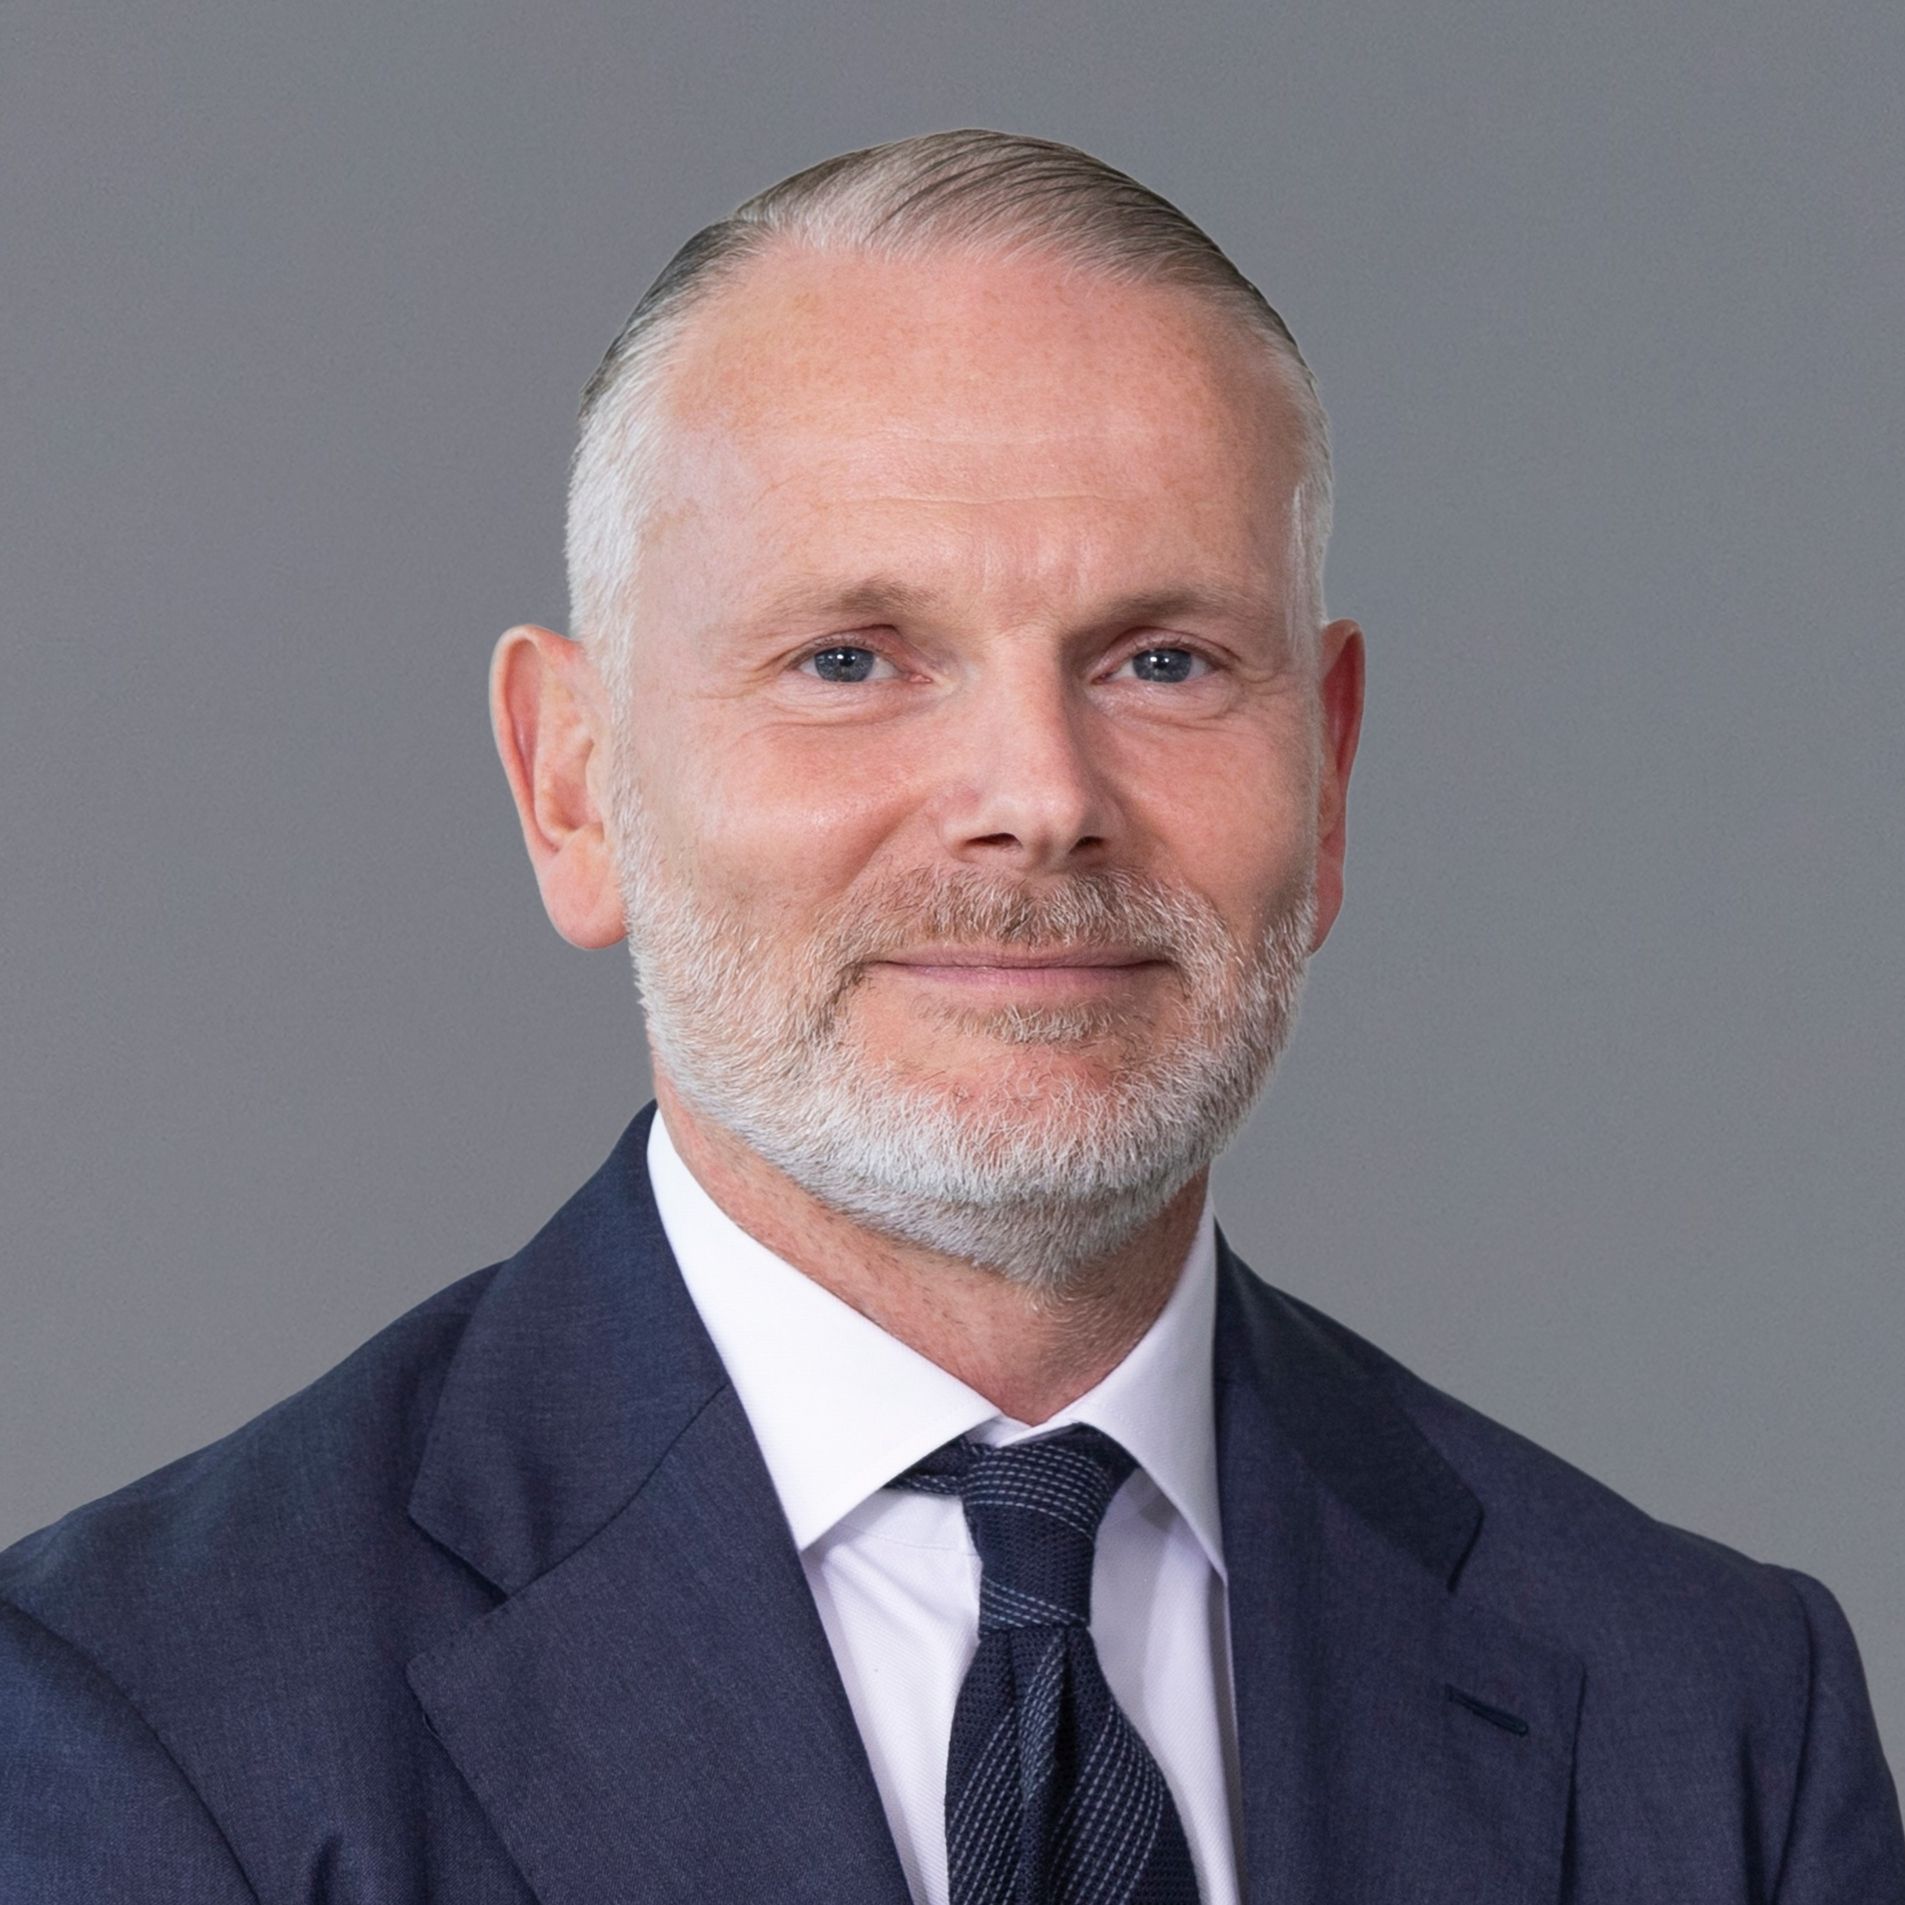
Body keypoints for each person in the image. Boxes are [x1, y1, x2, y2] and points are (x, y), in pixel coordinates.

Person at [1, 128, 1898, 1904]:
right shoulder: (140, 1718)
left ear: (1325, 778)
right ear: (572, 784)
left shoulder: (1712, 1721)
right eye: (851, 658)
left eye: (1163, 660)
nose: (1038, 795)